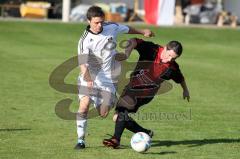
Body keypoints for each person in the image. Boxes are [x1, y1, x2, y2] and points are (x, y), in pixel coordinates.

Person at [75, 6, 154, 149]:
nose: (100, 25)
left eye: (101, 22)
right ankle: (80, 140)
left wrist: (143, 31)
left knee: (104, 113)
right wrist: (88, 78)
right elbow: (82, 65)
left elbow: (127, 29)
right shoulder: (84, 41)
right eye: (96, 23)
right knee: (83, 105)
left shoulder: (111, 27)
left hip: (108, 79)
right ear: (88, 21)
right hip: (89, 77)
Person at [102, 38, 190, 148]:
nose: (169, 59)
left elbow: (180, 78)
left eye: (173, 58)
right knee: (118, 117)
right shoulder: (152, 49)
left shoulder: (172, 67)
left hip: (146, 94)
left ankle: (116, 139)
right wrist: (127, 53)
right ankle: (145, 132)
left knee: (121, 112)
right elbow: (134, 41)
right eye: (169, 55)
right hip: (132, 87)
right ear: (165, 48)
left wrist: (185, 90)